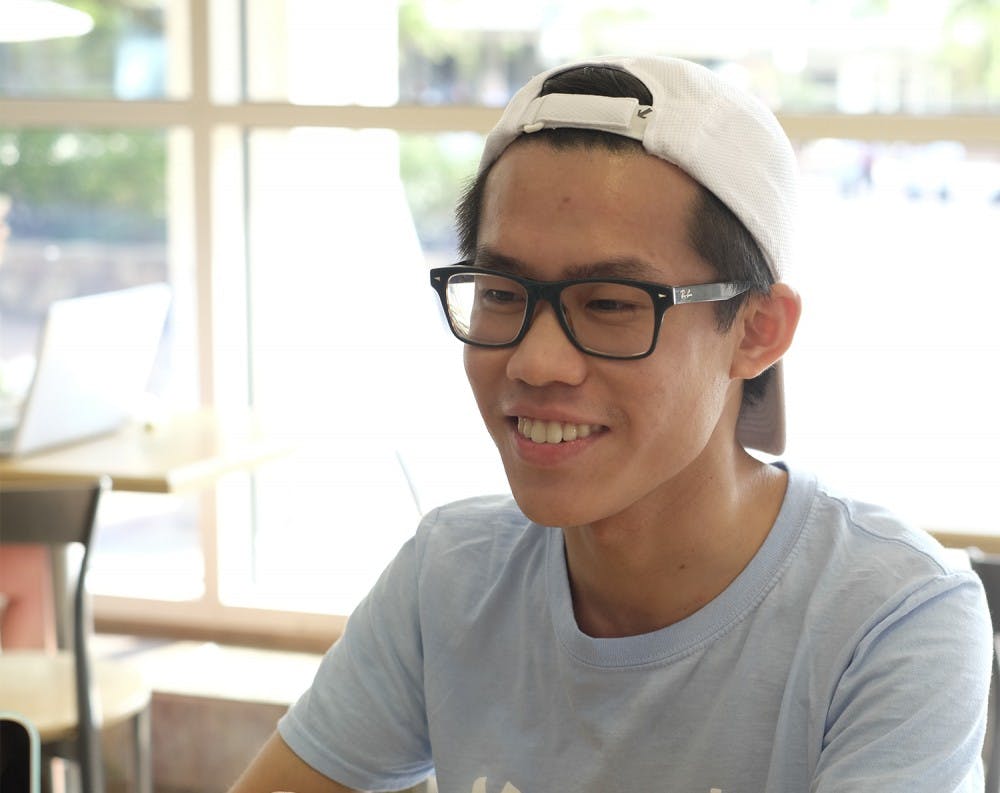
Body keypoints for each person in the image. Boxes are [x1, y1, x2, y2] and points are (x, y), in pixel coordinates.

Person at [230, 55, 992, 793]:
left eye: (610, 304)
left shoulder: (892, 617)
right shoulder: (451, 578)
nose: (536, 362)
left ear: (757, 329)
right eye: (501, 291)